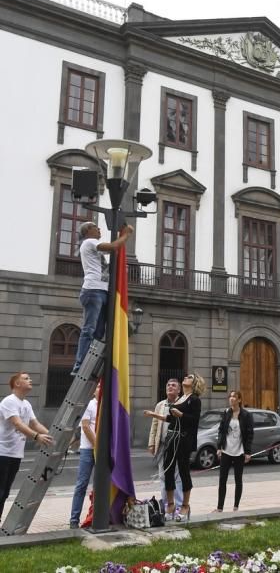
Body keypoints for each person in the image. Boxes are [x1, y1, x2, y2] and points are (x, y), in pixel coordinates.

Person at [71, 221, 134, 375]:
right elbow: (113, 247)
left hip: (102, 291)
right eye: (95, 227)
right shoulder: (89, 242)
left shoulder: (95, 246)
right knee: (90, 329)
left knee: (98, 332)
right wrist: (126, 234)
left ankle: (90, 363)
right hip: (93, 290)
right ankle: (80, 364)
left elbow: (115, 249)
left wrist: (122, 236)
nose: (99, 229)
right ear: (88, 231)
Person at [144, 372, 205, 522]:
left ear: (195, 382)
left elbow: (194, 420)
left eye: (189, 377)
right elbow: (170, 419)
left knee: (184, 472)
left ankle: (184, 505)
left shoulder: (194, 400)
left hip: (183, 439)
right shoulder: (182, 398)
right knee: (168, 471)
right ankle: (170, 504)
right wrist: (154, 415)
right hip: (172, 438)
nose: (186, 377)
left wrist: (181, 415)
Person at [0, 372, 53, 522]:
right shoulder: (9, 401)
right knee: (0, 490)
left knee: (4, 492)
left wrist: (52, 436)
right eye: (26, 378)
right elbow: (17, 423)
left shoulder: (26, 404)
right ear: (17, 384)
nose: (30, 380)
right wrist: (37, 436)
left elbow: (35, 424)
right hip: (2, 453)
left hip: (15, 454)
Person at [213, 390, 253, 513]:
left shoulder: (246, 415)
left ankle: (236, 507)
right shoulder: (226, 413)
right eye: (230, 397)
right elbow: (221, 431)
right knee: (222, 480)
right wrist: (219, 447)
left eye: (234, 397)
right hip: (226, 451)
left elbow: (249, 434)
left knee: (238, 480)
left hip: (239, 452)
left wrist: (247, 452)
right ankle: (220, 508)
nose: (231, 399)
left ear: (239, 400)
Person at [147, 378, 183, 511]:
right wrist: (151, 444)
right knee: (163, 476)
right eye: (168, 385)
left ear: (179, 390)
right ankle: (167, 505)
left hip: (176, 445)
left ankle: (178, 506)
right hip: (162, 445)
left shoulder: (182, 403)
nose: (170, 387)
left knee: (177, 476)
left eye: (174, 385)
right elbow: (155, 425)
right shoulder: (160, 405)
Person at [69, 387, 99, 528]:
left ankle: (96, 517)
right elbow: (86, 427)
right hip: (88, 450)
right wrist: (97, 446)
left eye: (102, 386)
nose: (100, 389)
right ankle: (74, 520)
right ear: (93, 391)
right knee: (82, 484)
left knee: (101, 486)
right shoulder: (89, 405)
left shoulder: (107, 405)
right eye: (98, 387)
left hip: (101, 450)